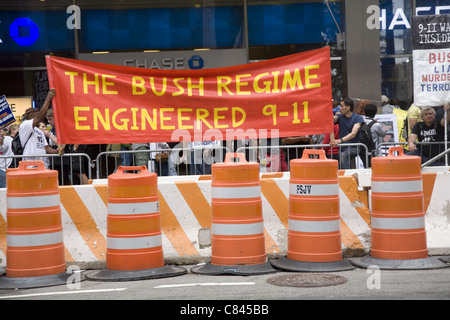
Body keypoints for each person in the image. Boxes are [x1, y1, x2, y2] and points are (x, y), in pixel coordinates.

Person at [19, 89, 63, 168]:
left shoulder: (39, 131)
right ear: (31, 116)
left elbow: (46, 148)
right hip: (31, 164)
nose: (39, 118)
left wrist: (57, 151)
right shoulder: (25, 125)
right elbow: (40, 116)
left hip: (43, 165)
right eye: (36, 115)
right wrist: (48, 99)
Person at [330, 98, 364, 169]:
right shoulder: (340, 117)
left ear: (348, 107)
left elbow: (353, 133)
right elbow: (332, 119)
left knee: (343, 155)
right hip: (342, 148)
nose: (340, 108)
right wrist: (328, 107)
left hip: (354, 147)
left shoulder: (358, 118)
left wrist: (340, 141)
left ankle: (345, 176)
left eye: (342, 106)